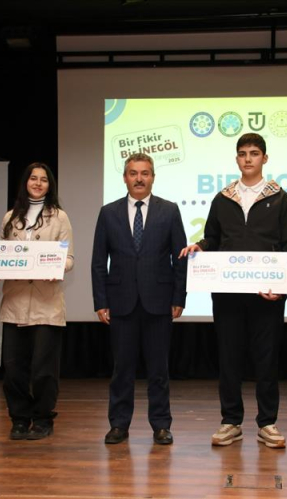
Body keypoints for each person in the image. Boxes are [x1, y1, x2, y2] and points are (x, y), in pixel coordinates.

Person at [180, 133, 287, 449]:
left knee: (267, 359)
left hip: (267, 294)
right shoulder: (223, 199)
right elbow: (212, 237)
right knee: (229, 358)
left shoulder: (281, 198)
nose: (248, 159)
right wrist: (200, 246)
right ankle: (231, 421)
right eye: (243, 153)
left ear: (264, 158)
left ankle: (267, 423)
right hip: (227, 293)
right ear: (237, 159)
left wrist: (282, 289)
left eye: (254, 153)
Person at [91, 152, 187, 445]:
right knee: (122, 369)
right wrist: (100, 301)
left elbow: (180, 258)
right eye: (133, 173)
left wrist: (179, 296)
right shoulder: (108, 212)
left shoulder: (169, 211)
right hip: (121, 302)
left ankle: (161, 425)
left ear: (153, 177)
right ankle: (118, 425)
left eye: (145, 173)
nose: (139, 179)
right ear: (125, 178)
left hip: (159, 302)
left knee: (158, 370)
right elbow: (98, 262)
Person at [0, 162, 74, 441]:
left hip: (47, 303)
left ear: (50, 185)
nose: (38, 183)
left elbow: (69, 259)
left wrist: (58, 268)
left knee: (43, 370)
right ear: (25, 182)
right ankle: (19, 419)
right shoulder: (10, 217)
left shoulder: (60, 217)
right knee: (13, 369)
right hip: (15, 302)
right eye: (33, 178)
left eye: (44, 179)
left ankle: (42, 419)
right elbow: (0, 254)